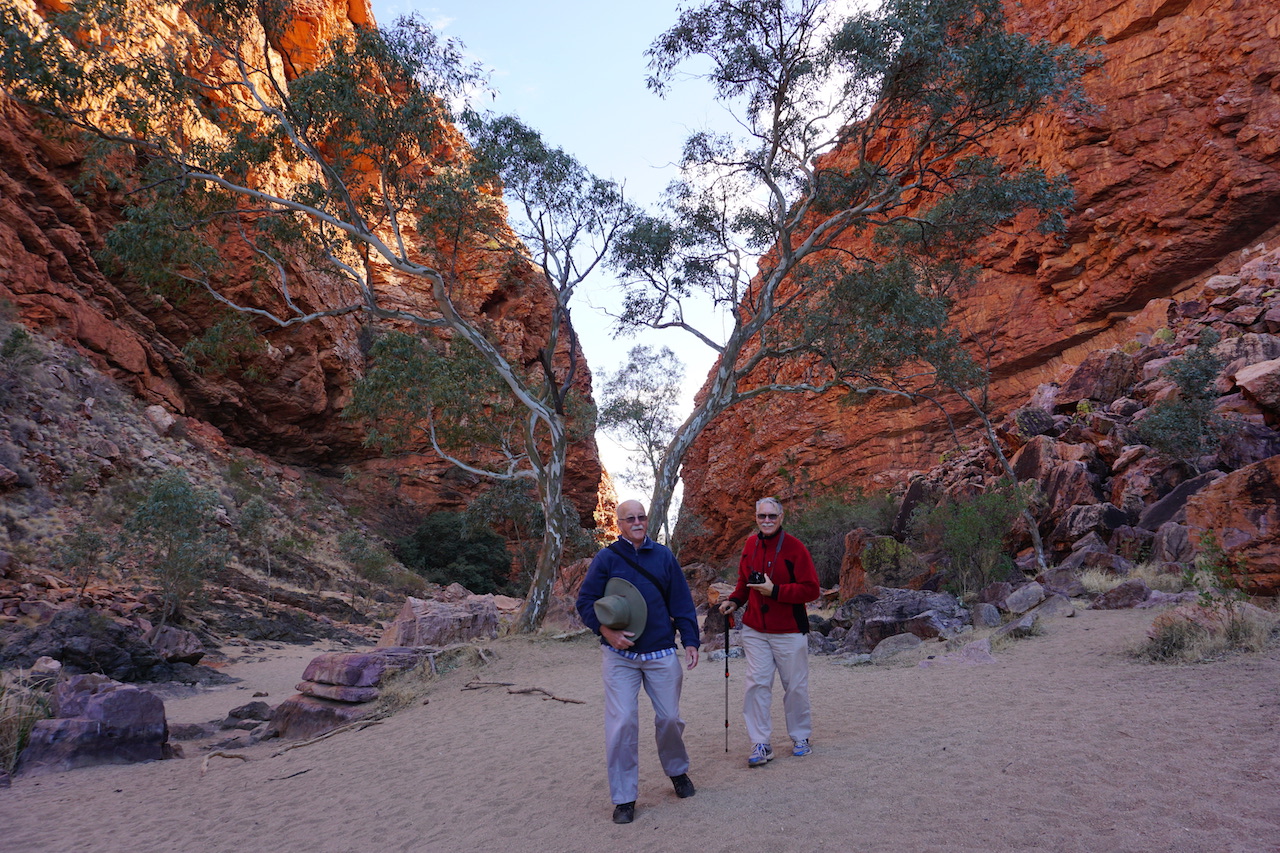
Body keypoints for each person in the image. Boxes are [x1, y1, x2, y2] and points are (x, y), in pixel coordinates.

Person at [576, 499, 701, 825]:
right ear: (619, 524)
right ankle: (624, 798)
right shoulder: (606, 559)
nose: (636, 521)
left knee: (670, 718)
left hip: (660, 652)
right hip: (620, 657)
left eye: (641, 517)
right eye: (629, 518)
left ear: (647, 520)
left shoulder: (663, 557)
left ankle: (677, 772)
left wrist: (690, 641)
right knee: (622, 724)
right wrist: (606, 631)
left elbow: (682, 602)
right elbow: (585, 601)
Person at [718, 496, 820, 767]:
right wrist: (734, 601)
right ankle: (760, 743)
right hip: (755, 630)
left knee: (795, 686)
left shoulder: (795, 548)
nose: (766, 521)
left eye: (771, 516)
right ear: (756, 518)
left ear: (781, 517)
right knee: (757, 685)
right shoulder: (750, 544)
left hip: (789, 630)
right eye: (762, 516)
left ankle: (800, 737)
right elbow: (744, 581)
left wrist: (775, 591)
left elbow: (811, 589)